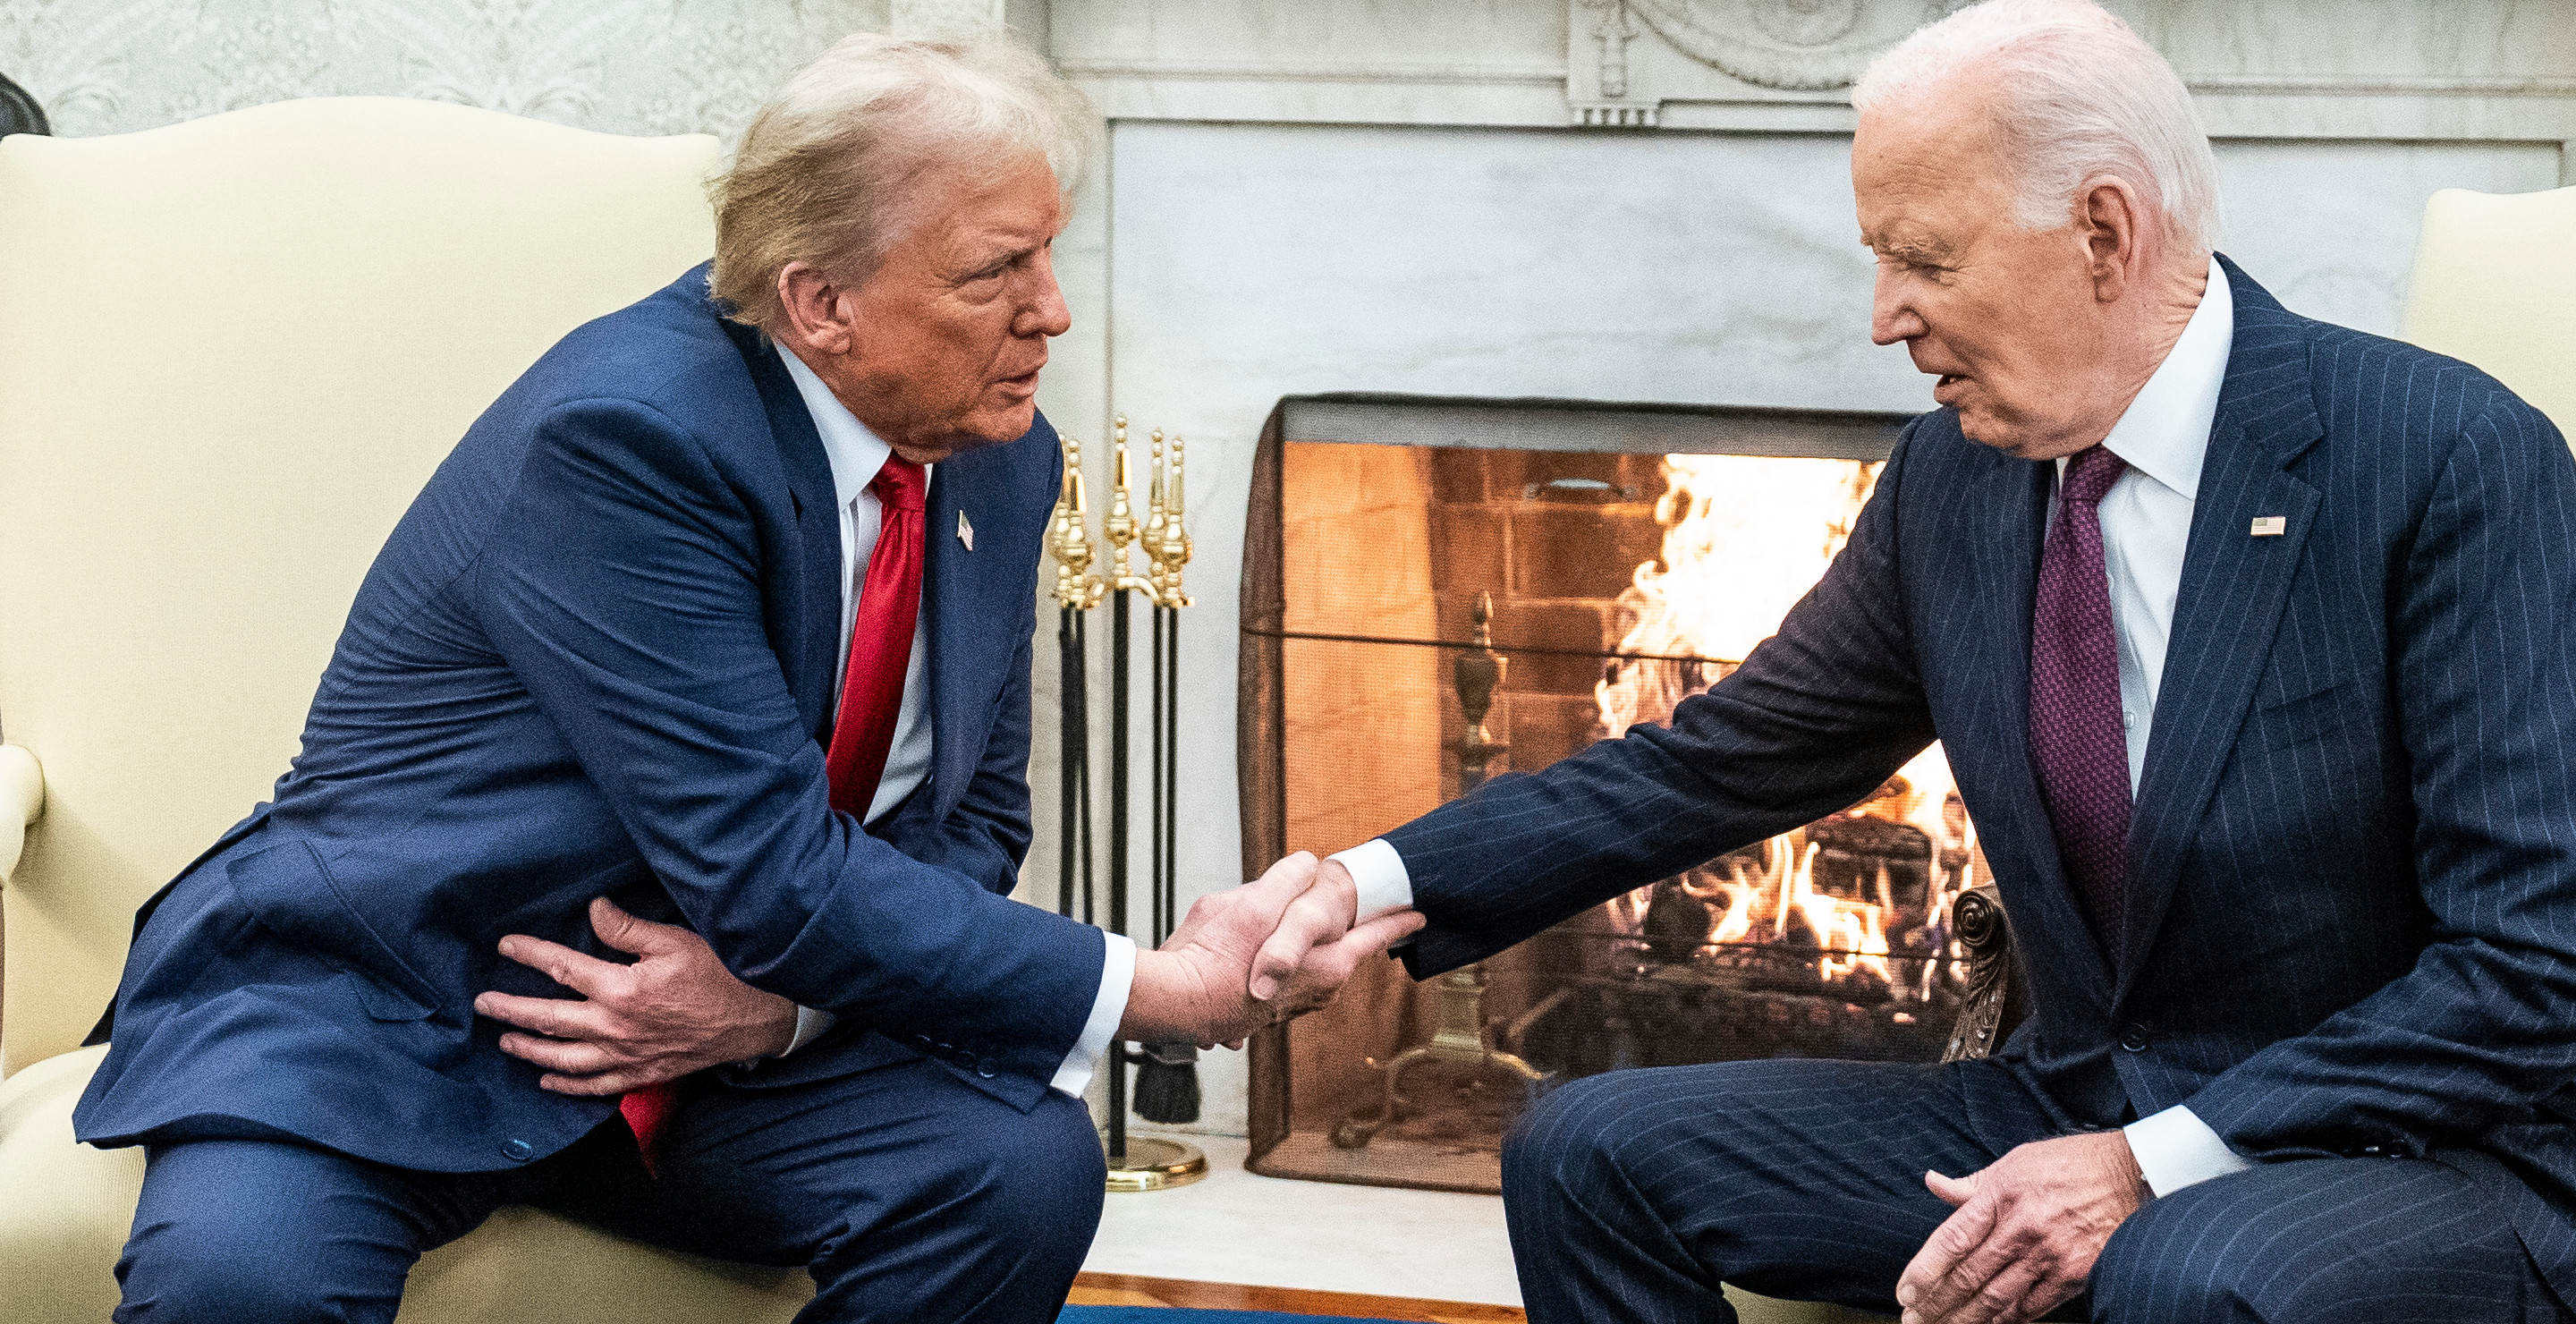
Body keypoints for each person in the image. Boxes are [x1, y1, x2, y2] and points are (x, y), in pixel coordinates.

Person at [1252, 3, 2576, 1321]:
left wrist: (2144, 1168)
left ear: (2104, 234)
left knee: (2183, 1273)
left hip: (2420, 1149)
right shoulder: (1955, 481)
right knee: (1588, 1152)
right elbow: (1716, 761)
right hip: (2069, 1106)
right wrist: (1364, 884)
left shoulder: (2442, 457)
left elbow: (2530, 962)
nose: (1887, 316)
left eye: (1925, 260)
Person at [73, 34, 1415, 1324]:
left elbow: (973, 820)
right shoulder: (628, 441)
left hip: (720, 1042)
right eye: (994, 271)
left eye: (1049, 251)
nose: (1051, 312)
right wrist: (1157, 988)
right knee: (243, 1283)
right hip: (402, 1003)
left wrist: (775, 1014)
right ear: (820, 302)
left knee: (1010, 1172)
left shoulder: (999, 456)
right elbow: (773, 873)